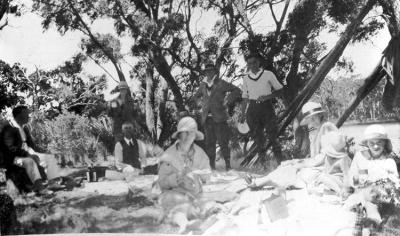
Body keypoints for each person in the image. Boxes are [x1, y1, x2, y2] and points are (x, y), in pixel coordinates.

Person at [248, 131, 351, 195]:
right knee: (288, 169)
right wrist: (293, 162)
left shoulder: (341, 160)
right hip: (312, 175)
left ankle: (259, 181)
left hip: (313, 178)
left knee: (288, 172)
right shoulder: (329, 156)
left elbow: (344, 177)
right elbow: (310, 162)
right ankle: (260, 181)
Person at [0, 106, 63, 194]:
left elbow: (30, 144)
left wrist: (36, 153)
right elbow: (10, 148)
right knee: (30, 161)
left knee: (49, 158)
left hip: (28, 153)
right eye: (27, 114)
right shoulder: (9, 129)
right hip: (14, 158)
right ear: (19, 115)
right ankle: (41, 189)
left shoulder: (24, 128)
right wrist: (27, 155)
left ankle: (52, 183)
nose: (29, 116)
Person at [191, 62, 241, 170]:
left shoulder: (221, 83)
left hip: (220, 117)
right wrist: (201, 104)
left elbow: (237, 90)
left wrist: (228, 100)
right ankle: (211, 167)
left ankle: (228, 166)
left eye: (210, 70)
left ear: (215, 72)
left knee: (223, 142)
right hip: (207, 119)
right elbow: (196, 97)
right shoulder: (203, 85)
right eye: (207, 71)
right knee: (209, 143)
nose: (208, 73)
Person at [239, 53, 283, 162]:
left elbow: (280, 90)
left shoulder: (268, 74)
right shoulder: (246, 78)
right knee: (258, 139)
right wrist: (243, 114)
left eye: (254, 62)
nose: (252, 65)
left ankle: (281, 164)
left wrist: (267, 96)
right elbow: (245, 97)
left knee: (273, 136)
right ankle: (264, 166)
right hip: (253, 109)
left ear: (259, 62)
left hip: (266, 107)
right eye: (249, 63)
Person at [158, 116, 211, 195]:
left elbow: (207, 177)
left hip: (196, 196)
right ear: (179, 135)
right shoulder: (168, 156)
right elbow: (161, 183)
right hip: (173, 196)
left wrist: (196, 177)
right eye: (185, 132)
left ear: (195, 136)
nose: (189, 135)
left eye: (192, 132)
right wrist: (175, 179)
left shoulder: (201, 154)